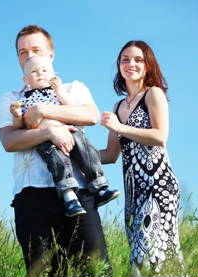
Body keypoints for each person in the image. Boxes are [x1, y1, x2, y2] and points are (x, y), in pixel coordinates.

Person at [0, 25, 112, 277]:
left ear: (51, 55)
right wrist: (49, 132)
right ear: (18, 60)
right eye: (22, 52)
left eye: (36, 49)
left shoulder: (72, 88)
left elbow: (89, 115)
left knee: (96, 274)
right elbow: (9, 141)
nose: (29, 55)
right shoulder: (12, 99)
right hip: (32, 196)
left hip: (80, 192)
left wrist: (43, 112)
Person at [100, 40, 184, 276]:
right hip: (134, 192)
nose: (131, 64)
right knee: (141, 260)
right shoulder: (117, 107)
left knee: (152, 254)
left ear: (148, 66)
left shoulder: (153, 94)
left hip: (158, 186)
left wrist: (120, 127)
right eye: (125, 59)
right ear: (119, 66)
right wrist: (75, 148)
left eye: (138, 59)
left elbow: (160, 137)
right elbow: (109, 155)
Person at [10, 56, 120, 218]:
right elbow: (20, 125)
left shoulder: (57, 93)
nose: (40, 74)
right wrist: (16, 115)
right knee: (57, 162)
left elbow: (73, 109)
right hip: (45, 138)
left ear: (54, 74)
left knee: (86, 151)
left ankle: (99, 187)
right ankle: (70, 197)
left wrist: (60, 91)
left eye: (45, 71)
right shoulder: (23, 99)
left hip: (70, 129)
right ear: (26, 79)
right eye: (34, 72)